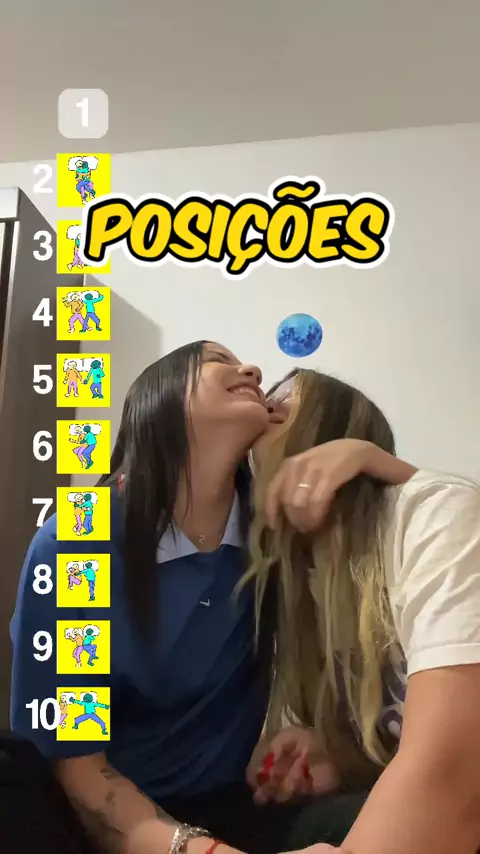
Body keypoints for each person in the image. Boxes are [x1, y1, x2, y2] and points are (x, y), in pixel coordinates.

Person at [10, 342, 415, 854]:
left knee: (416, 818)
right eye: (218, 360)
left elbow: (431, 515)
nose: (252, 370)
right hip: (108, 820)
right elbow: (82, 768)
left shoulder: (272, 530)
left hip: (234, 808)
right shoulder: (77, 543)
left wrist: (367, 456)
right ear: (160, 394)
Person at [243, 368, 480, 854]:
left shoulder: (431, 515)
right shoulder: (292, 579)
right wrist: (336, 757)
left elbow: (451, 778)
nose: (263, 392)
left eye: (283, 393)